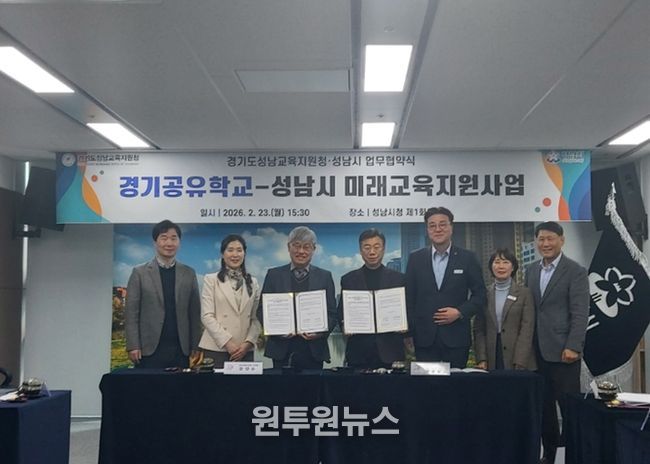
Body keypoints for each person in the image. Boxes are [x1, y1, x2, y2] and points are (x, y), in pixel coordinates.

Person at [525, 222, 589, 464]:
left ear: (562, 240)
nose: (546, 244)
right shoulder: (531, 270)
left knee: (569, 407)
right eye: (541, 239)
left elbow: (580, 312)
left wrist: (574, 345)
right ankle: (549, 455)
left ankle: (575, 455)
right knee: (545, 409)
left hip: (564, 352)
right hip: (536, 351)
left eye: (550, 239)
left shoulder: (575, 271)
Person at [405, 206, 486, 368]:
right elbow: (409, 298)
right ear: (427, 230)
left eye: (442, 224)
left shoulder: (467, 258)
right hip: (424, 339)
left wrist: (460, 312)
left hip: (456, 337)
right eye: (432, 225)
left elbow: (480, 295)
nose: (438, 229)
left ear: (451, 227)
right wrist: (410, 332)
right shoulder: (415, 258)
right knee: (427, 383)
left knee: (456, 383)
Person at [258, 226, 337, 369]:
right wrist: (277, 330)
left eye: (306, 247)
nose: (301, 251)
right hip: (281, 350)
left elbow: (332, 313)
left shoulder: (325, 276)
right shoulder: (273, 275)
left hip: (314, 350)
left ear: (313, 249)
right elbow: (261, 310)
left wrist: (319, 333)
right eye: (296, 246)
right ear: (289, 247)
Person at [125, 220, 201, 368]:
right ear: (155, 242)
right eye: (164, 238)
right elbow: (131, 313)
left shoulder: (189, 273)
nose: (169, 243)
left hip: (181, 349)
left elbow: (194, 313)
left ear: (179, 242)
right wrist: (133, 345)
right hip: (149, 348)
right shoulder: (139, 273)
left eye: (174, 238)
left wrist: (195, 345)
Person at [338, 228, 407, 369]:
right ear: (360, 250)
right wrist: (344, 325)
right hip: (358, 352)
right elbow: (341, 313)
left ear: (384, 249)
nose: (372, 252)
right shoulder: (348, 279)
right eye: (367, 247)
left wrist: (405, 324)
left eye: (376, 247)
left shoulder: (399, 279)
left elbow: (409, 310)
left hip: (391, 352)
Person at [198, 234, 261, 368]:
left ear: (244, 254)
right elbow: (207, 316)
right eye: (230, 250)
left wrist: (248, 343)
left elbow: (256, 318)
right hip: (216, 348)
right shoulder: (211, 280)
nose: (235, 254)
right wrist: (227, 343)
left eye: (239, 250)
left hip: (244, 350)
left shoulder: (253, 282)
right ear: (222, 254)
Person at [474, 248, 536, 371]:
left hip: (517, 356)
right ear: (491, 267)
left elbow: (527, 330)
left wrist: (520, 360)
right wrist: (482, 358)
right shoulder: (484, 294)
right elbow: (479, 329)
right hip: (492, 355)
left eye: (506, 262)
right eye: (497, 262)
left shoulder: (524, 293)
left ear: (513, 267)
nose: (501, 266)